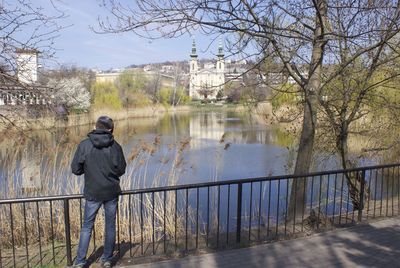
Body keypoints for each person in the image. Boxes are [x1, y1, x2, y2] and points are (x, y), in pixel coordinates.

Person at [71, 116, 126, 268]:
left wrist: (88, 170)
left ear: (95, 127)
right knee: (110, 225)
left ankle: (80, 261)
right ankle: (107, 259)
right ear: (110, 129)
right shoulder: (116, 147)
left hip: (92, 192)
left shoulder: (84, 145)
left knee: (87, 226)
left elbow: (75, 169)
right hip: (111, 192)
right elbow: (121, 169)